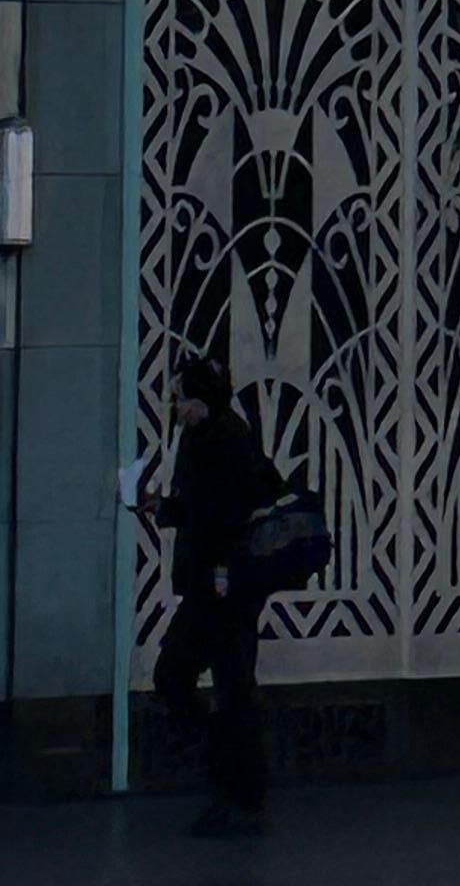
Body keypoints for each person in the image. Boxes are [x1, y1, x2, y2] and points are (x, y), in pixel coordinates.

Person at [142, 357, 276, 836]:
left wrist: (178, 510)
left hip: (223, 586)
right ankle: (240, 782)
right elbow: (203, 506)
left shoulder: (225, 441)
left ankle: (235, 783)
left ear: (200, 401)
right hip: (215, 585)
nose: (175, 406)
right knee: (223, 686)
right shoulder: (208, 437)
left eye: (180, 396)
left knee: (199, 680)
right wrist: (169, 506)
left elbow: (225, 513)